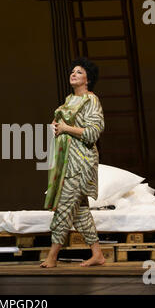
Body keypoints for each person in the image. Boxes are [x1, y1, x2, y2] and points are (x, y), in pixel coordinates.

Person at [41, 57, 105, 268]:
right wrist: (57, 127)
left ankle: (52, 257)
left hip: (82, 162)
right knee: (80, 211)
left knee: (65, 206)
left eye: (79, 72)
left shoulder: (91, 100)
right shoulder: (69, 100)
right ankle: (98, 255)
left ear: (88, 78)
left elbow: (93, 133)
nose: (73, 74)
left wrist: (66, 129)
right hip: (68, 161)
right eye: (72, 71)